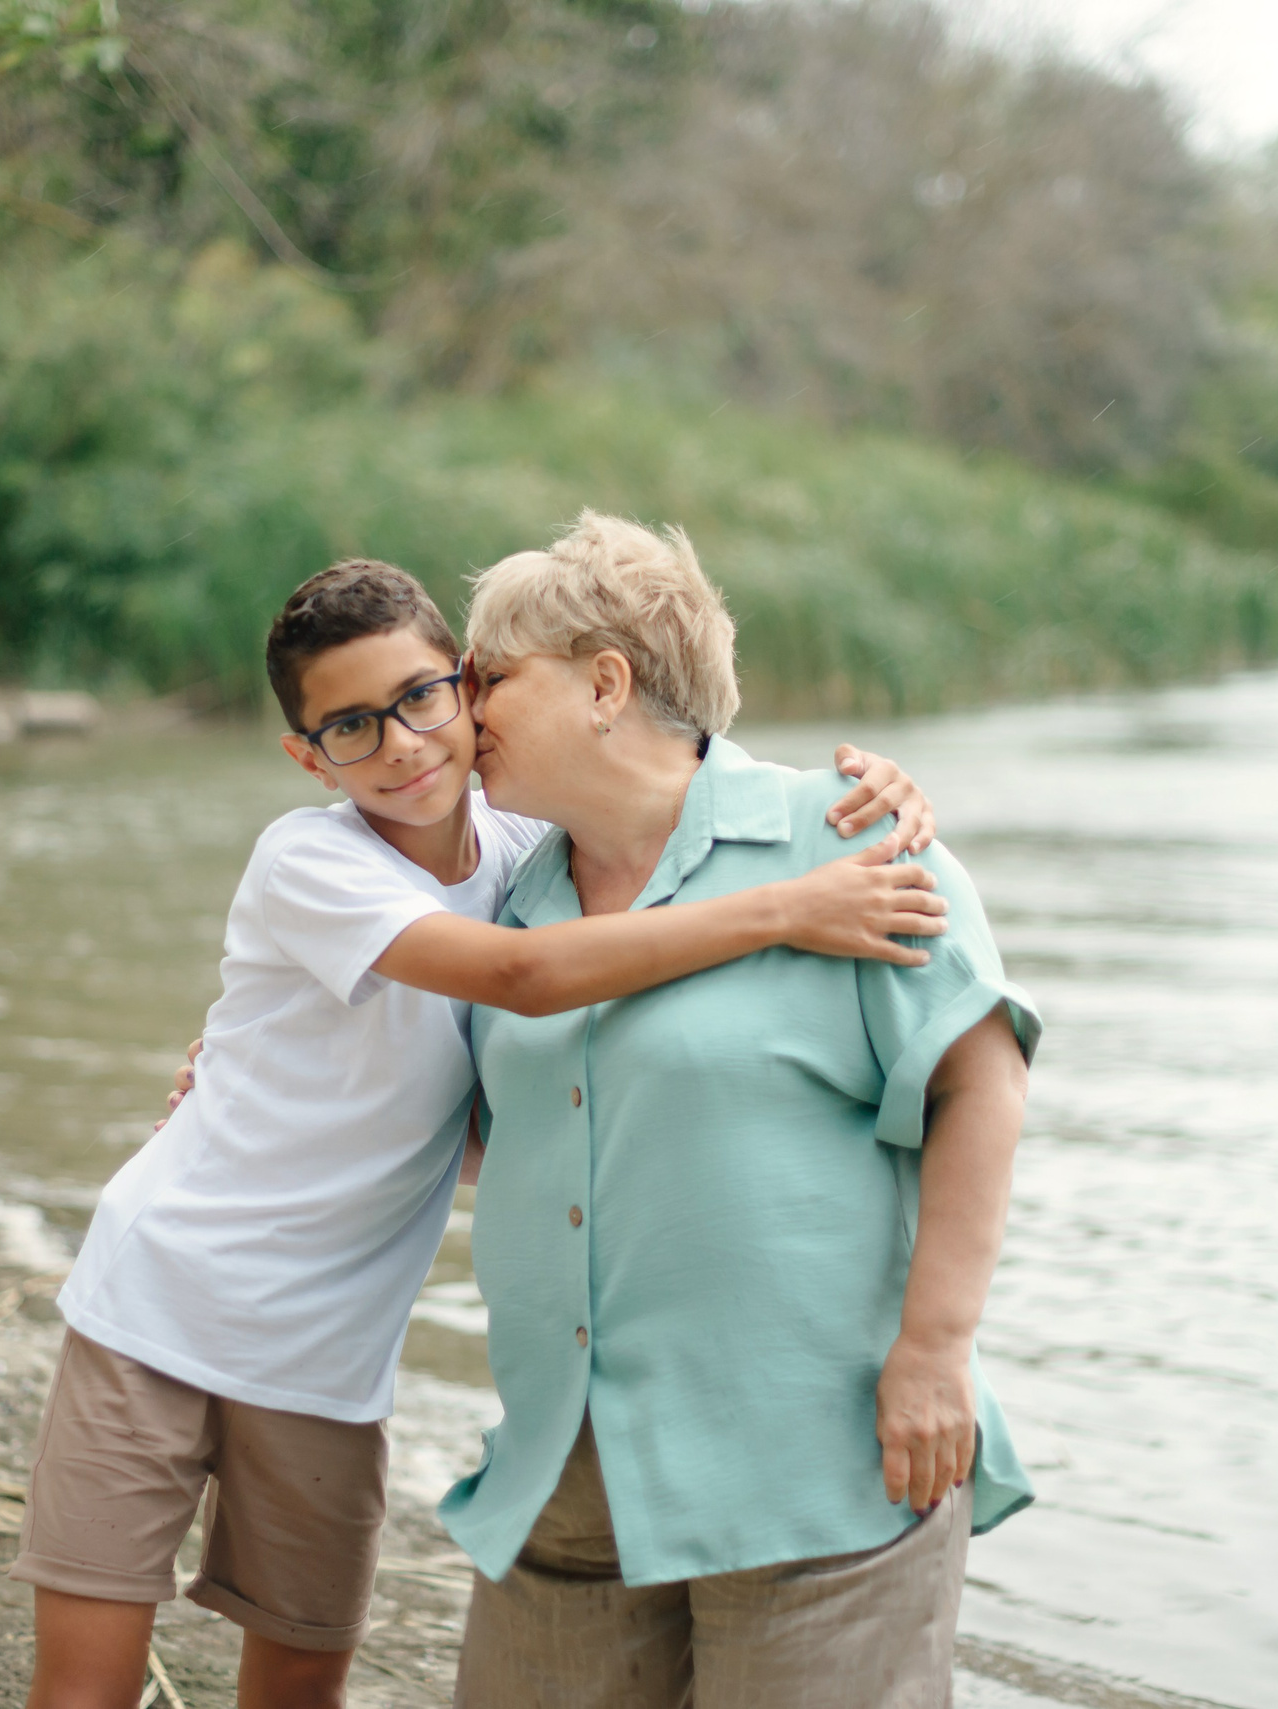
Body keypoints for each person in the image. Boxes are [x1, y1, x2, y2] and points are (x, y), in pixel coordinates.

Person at [18, 558, 955, 1709]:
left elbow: (535, 1071)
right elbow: (518, 980)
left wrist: (854, 787)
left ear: (465, 687)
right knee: (83, 1689)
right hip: (157, 1303)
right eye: (350, 727)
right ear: (306, 756)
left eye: (424, 695)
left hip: (328, 1355)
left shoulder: (530, 864)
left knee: (301, 1682)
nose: (404, 743)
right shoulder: (309, 857)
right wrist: (787, 906)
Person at [442, 512, 1041, 1708]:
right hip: (567, 1464)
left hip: (814, 1454)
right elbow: (480, 1131)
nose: (461, 710)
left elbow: (981, 1080)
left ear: (604, 682)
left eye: (488, 678)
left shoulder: (849, 832)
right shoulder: (508, 893)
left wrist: (934, 1350)